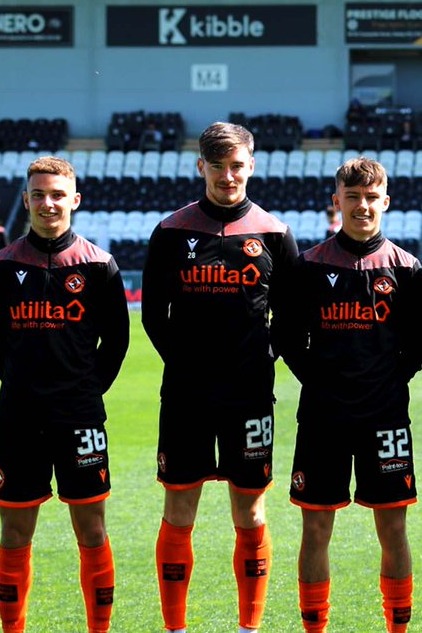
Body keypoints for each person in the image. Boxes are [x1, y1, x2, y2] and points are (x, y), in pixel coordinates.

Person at [141, 122, 299, 633]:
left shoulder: (275, 233)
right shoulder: (170, 232)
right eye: (217, 166)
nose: (227, 176)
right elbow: (152, 315)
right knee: (179, 509)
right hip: (186, 395)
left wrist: (260, 358)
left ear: (251, 165)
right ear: (200, 167)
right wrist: (186, 361)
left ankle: (249, 627)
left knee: (250, 516)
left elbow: (292, 317)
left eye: (236, 166)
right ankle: (175, 627)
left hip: (250, 395)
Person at [271, 157, 422, 633]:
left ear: (386, 201)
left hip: (386, 419)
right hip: (323, 417)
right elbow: (289, 339)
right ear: (336, 202)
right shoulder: (310, 265)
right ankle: (315, 628)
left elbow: (416, 347)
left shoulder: (406, 267)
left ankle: (396, 627)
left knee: (394, 529)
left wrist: (382, 385)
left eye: (371, 196)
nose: (362, 206)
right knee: (316, 528)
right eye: (352, 197)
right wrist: (323, 383)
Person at [0, 155, 130, 633]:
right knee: (16, 533)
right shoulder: (2, 266)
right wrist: (26, 385)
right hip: (19, 418)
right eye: (39, 194)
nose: (49, 203)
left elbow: (118, 342)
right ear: (26, 200)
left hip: (80, 418)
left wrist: (83, 391)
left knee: (91, 530)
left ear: (75, 200)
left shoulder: (100, 265)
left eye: (58, 194)